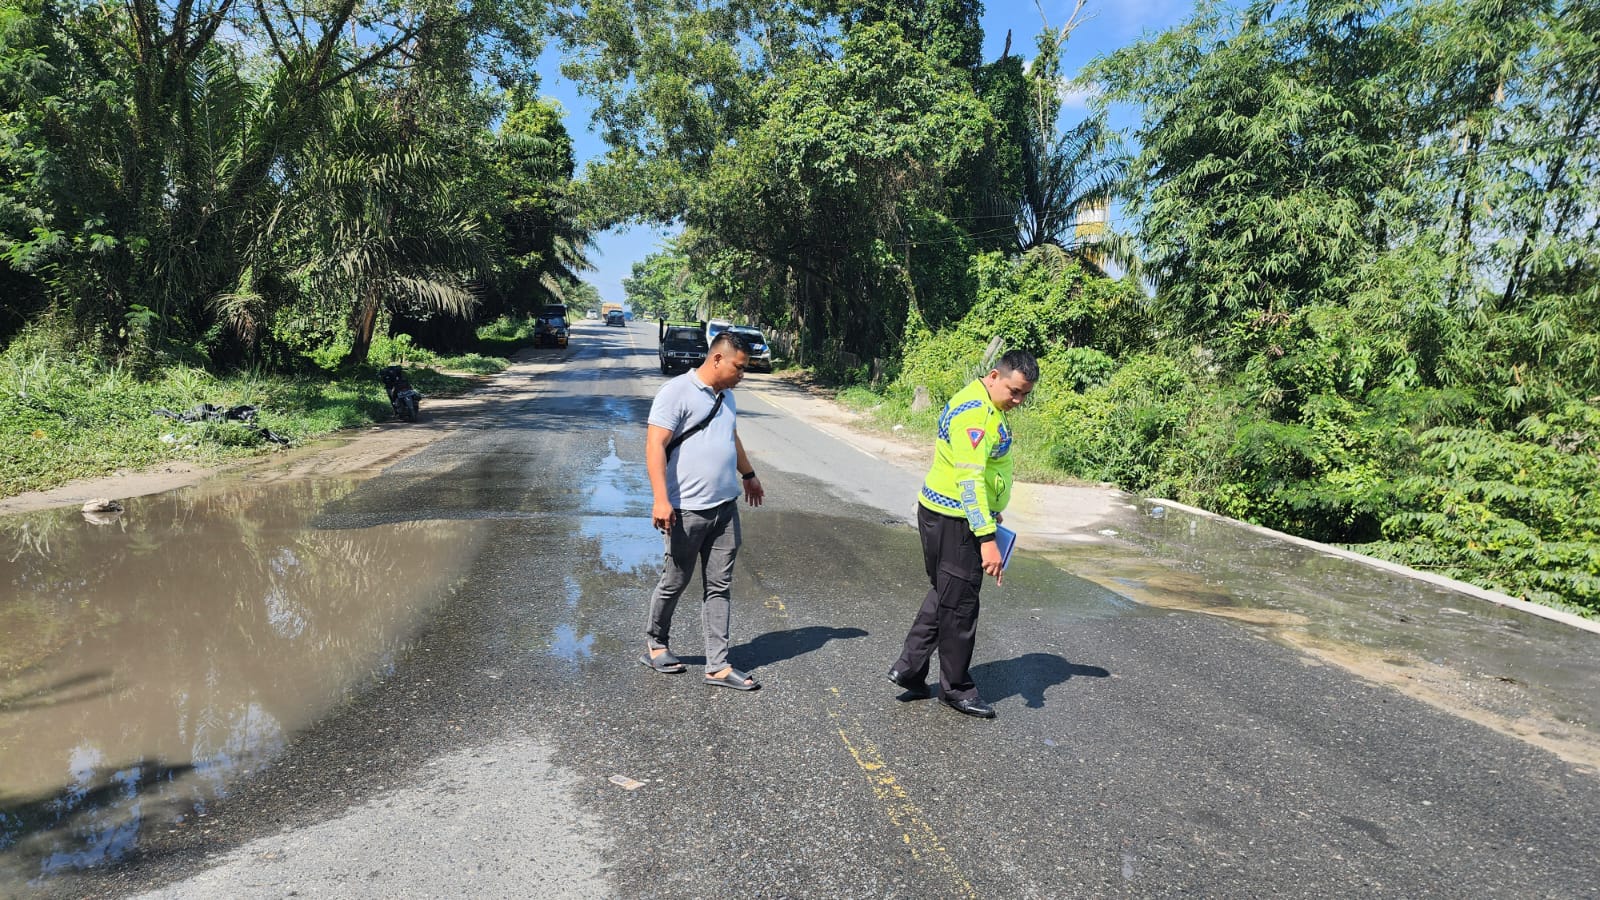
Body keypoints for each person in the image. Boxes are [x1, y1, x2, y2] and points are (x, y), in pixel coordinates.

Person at [888, 350, 1038, 718]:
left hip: (947, 514)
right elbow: (968, 481)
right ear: (993, 376)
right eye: (1014, 391)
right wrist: (987, 538)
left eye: (1024, 395)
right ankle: (956, 689)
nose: (1017, 401)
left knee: (946, 591)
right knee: (961, 604)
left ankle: (909, 668)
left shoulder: (979, 401)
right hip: (957, 521)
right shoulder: (976, 415)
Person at [640, 331, 766, 690]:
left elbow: (731, 437)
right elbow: (655, 445)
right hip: (686, 510)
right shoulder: (675, 392)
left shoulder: (726, 397)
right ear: (716, 360)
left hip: (724, 508)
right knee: (675, 580)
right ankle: (655, 643)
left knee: (720, 586)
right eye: (739, 367)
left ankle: (718, 666)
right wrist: (660, 499)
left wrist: (749, 475)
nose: (743, 374)